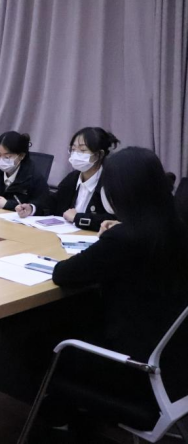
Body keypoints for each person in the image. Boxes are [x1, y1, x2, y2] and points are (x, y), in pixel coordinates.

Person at [46, 148, 188, 429]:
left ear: (118, 193)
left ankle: (58, 418)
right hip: (174, 360)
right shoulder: (177, 227)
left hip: (134, 366)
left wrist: (111, 237)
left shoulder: (125, 238)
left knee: (45, 334)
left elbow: (63, 274)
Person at [17, 127, 119, 230]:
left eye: (83, 150)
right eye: (73, 149)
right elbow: (52, 202)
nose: (76, 154)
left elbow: (115, 220)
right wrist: (32, 208)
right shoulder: (72, 178)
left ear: (99, 154)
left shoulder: (110, 183)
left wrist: (78, 218)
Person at [0, 131, 48, 210]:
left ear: (21, 156)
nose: (1, 160)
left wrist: (8, 204)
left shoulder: (34, 178)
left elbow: (42, 208)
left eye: (7, 157)